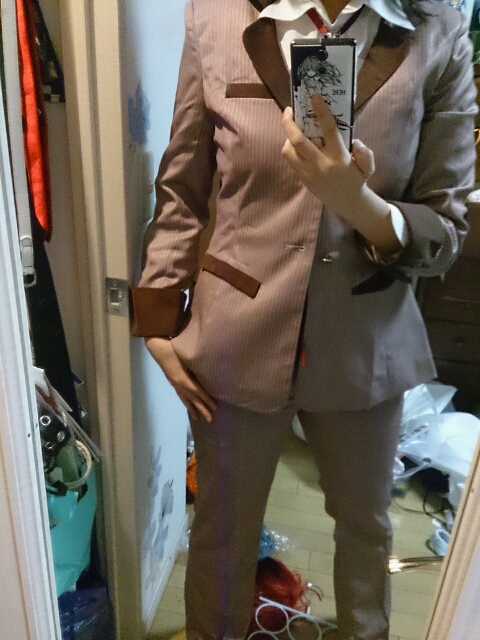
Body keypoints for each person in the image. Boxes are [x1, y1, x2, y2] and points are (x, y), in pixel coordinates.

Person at [131, 0, 477, 638]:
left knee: (365, 530)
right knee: (222, 533)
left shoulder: (437, 31)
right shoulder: (215, 16)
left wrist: (360, 203)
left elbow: (446, 229)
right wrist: (157, 317)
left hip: (365, 339)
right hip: (235, 331)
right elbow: (181, 184)